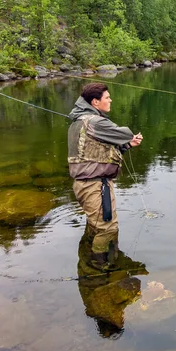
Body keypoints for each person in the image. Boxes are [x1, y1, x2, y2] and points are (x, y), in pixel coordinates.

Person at [68, 82, 143, 270]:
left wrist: (127, 146)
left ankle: (89, 259)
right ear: (95, 101)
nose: (110, 100)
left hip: (86, 184)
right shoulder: (95, 122)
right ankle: (100, 268)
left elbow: (95, 151)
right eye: (107, 97)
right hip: (94, 186)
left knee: (95, 226)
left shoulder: (82, 121)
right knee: (107, 228)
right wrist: (128, 137)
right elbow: (124, 133)